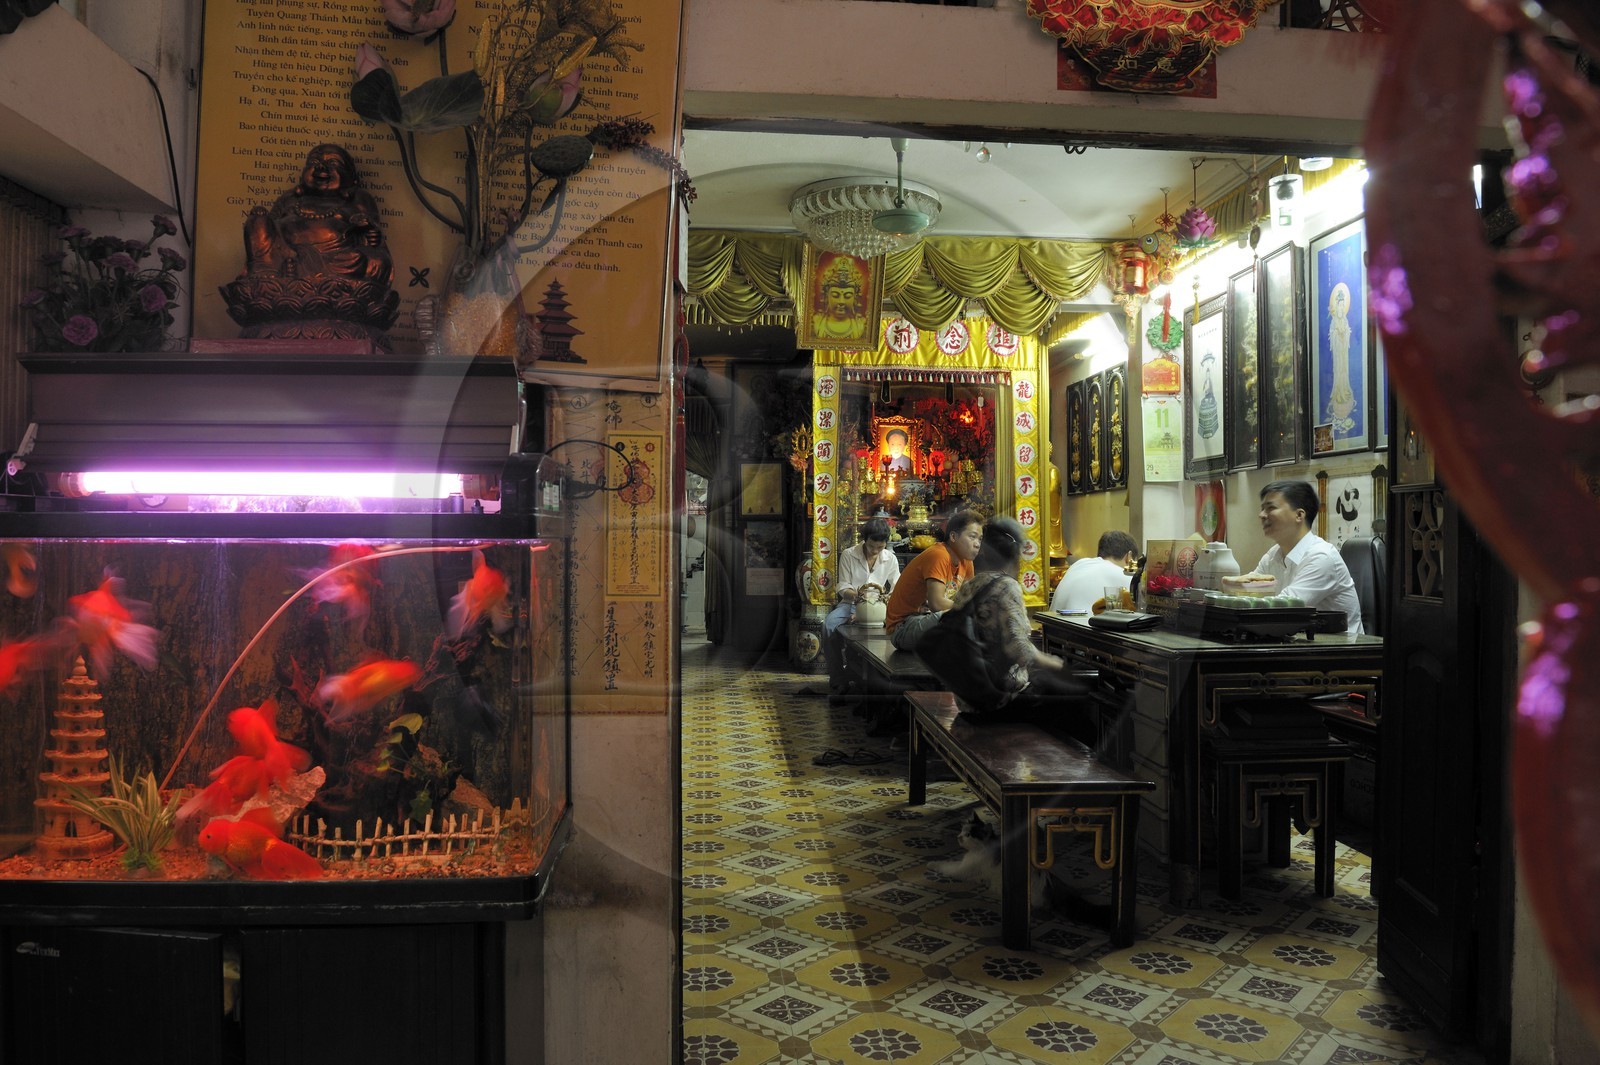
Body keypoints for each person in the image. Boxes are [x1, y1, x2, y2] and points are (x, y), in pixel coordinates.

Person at [946, 517, 1093, 738]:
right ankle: (1080, 767)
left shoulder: (971, 584)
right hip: (999, 702)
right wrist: (1055, 663)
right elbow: (1019, 649)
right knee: (1078, 694)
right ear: (1016, 557)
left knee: (1056, 685)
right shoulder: (1005, 586)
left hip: (967, 699)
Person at [243, 143, 393, 289]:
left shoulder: (358, 199)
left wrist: (369, 231)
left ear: (351, 176)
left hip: (336, 260)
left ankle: (301, 280)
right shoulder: (290, 198)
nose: (321, 167)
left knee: (372, 260)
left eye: (333, 163)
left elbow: (374, 238)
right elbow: (269, 229)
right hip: (286, 254)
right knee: (258, 218)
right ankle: (266, 271)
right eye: (314, 162)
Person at [1253, 479, 1364, 634]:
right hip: (1297, 645)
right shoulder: (1273, 555)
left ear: (1299, 515)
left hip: (1337, 652)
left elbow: (1285, 607)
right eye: (1262, 509)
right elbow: (1249, 590)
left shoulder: (1321, 557)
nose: (1262, 515)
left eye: (1270, 508)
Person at [821, 518, 900, 699]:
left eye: (880, 548)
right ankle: (838, 678)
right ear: (864, 539)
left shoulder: (890, 558)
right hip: (851, 603)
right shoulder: (849, 554)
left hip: (880, 607)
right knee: (829, 625)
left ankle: (874, 679)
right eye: (872, 546)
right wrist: (858, 599)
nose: (875, 551)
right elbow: (842, 586)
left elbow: (898, 585)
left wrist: (889, 597)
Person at [886, 508, 983, 651]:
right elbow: (936, 604)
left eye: (980, 539)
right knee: (959, 619)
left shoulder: (966, 561)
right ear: (953, 537)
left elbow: (968, 599)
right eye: (972, 537)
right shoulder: (939, 555)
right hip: (903, 628)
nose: (977, 544)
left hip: (929, 621)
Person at [1050, 530, 1138, 614]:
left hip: (1051, 626)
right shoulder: (1124, 575)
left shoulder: (1078, 565)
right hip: (1082, 627)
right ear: (1129, 557)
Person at [809, 253, 868, 343]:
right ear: (826, 296)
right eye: (835, 295)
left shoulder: (860, 325)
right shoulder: (817, 323)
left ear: (855, 298)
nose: (841, 301)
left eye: (847, 296)